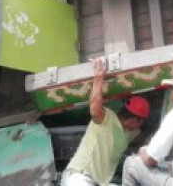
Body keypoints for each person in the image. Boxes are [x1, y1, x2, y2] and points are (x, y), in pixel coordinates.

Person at [61, 57, 150, 186]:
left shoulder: (131, 132)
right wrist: (98, 78)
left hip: (100, 183)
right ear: (135, 120)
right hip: (79, 176)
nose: (140, 127)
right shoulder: (107, 118)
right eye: (140, 123)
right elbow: (94, 107)